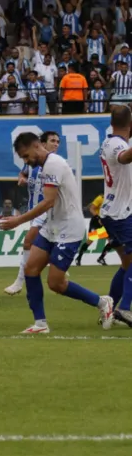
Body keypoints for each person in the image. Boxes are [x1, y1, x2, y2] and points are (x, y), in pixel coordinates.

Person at [0, 132, 113, 334]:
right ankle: (40, 324)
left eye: (26, 156)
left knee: (55, 283)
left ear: (36, 147)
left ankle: (102, 302)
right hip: (52, 227)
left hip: (69, 230)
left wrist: (18, 220)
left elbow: (48, 201)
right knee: (31, 269)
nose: (26, 161)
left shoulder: (53, 164)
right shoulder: (44, 166)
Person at [4, 131, 60, 296]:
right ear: (41, 144)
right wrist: (22, 178)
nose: (56, 144)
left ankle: (19, 282)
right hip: (32, 209)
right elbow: (23, 172)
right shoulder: (33, 162)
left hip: (46, 210)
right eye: (52, 141)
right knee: (45, 246)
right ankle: (57, 269)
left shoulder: (54, 165)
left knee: (28, 242)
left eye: (58, 141)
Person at [98, 105, 132, 326]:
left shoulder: (108, 141)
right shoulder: (117, 145)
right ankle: (125, 309)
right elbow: (124, 158)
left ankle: (109, 310)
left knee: (127, 264)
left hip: (111, 212)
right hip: (121, 214)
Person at [75, 194, 114, 266]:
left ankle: (101, 258)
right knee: (91, 240)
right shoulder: (100, 197)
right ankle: (78, 258)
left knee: (112, 241)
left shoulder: (113, 199)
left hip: (105, 222)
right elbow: (91, 208)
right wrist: (98, 217)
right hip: (96, 222)